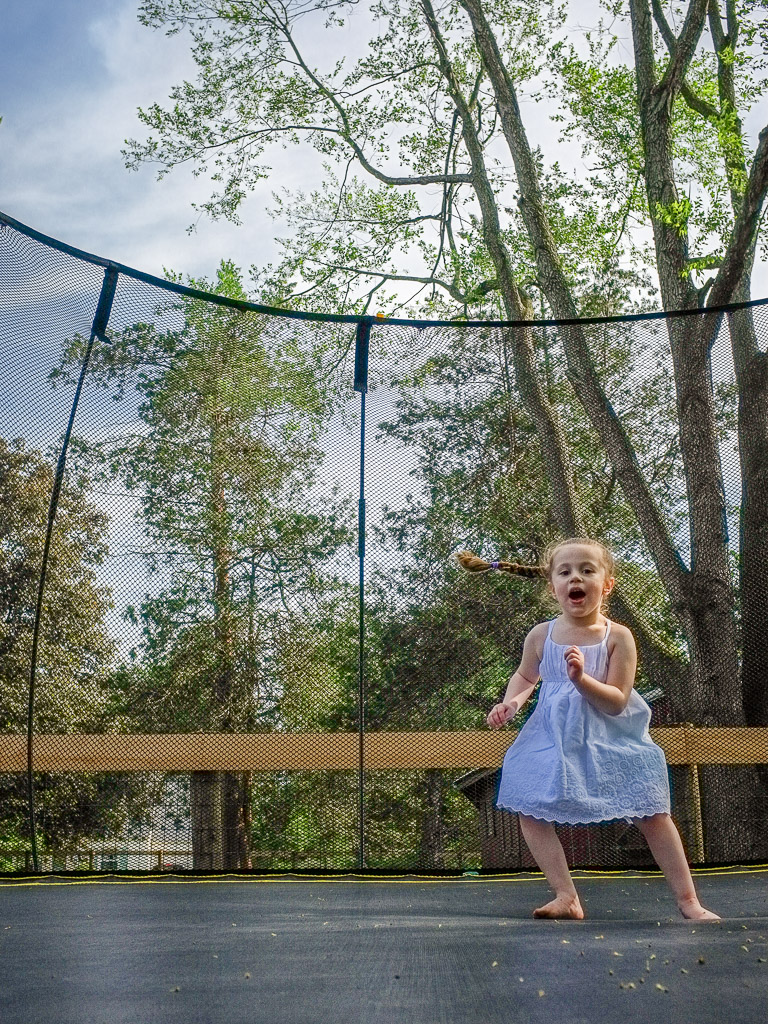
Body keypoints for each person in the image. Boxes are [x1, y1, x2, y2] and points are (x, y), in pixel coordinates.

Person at [456, 537, 720, 922]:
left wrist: (581, 681)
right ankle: (566, 896)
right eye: (565, 572)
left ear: (607, 584)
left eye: (587, 570)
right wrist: (511, 703)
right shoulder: (541, 636)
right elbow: (526, 676)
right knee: (529, 807)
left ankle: (688, 900)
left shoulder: (618, 637)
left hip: (611, 737)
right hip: (554, 738)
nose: (575, 578)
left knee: (652, 814)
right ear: (553, 587)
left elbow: (616, 699)